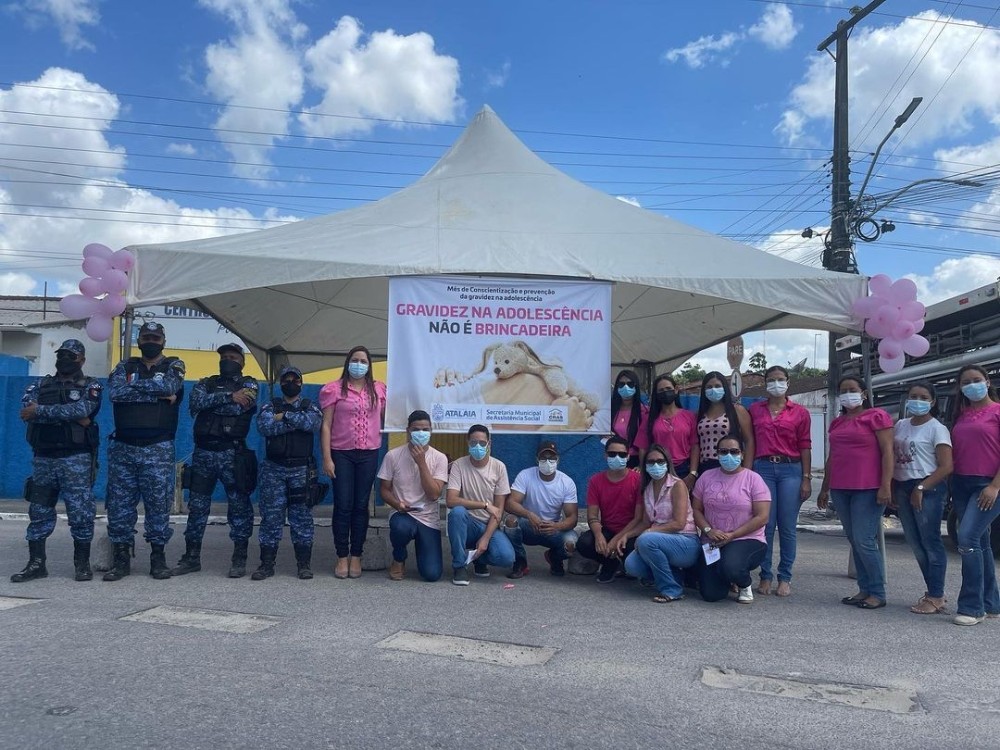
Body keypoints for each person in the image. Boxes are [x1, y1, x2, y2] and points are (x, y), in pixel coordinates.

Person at [11, 339, 102, 583]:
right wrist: (66, 413)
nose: (64, 359)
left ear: (82, 360)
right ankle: (36, 564)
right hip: (44, 458)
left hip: (76, 458)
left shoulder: (90, 384)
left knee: (81, 512)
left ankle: (82, 564)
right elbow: (26, 411)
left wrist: (41, 410)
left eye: (71, 356)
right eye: (61, 354)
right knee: (39, 510)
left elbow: (83, 410)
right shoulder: (40, 384)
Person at [103, 321, 186, 581]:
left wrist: (136, 388)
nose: (151, 341)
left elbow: (169, 388)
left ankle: (157, 559)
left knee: (158, 505)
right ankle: (121, 560)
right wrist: (155, 393)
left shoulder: (174, 365)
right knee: (119, 506)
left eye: (155, 338)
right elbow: (115, 393)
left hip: (157, 447)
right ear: (138, 340)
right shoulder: (124, 367)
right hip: (124, 448)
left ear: (163, 341)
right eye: (146, 337)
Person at [172, 343, 258, 578]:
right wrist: (229, 397)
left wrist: (212, 403)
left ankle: (239, 559)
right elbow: (195, 403)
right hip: (203, 454)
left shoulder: (249, 384)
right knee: (197, 507)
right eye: (224, 357)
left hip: (232, 455)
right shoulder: (205, 383)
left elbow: (240, 409)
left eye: (233, 357)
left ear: (242, 362)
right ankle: (191, 558)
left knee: (239, 508)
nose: (227, 360)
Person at [817, 376, 893, 610]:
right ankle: (864, 589)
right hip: (841, 487)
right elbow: (832, 457)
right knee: (854, 540)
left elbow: (887, 451)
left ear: (864, 394)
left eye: (852, 390)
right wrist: (825, 487)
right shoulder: (837, 423)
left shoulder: (876, 417)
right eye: (843, 391)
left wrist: (886, 485)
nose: (847, 394)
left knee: (864, 540)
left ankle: (877, 592)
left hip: (867, 487)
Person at [320, 345, 386, 579]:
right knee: (343, 504)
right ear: (348, 362)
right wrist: (327, 458)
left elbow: (388, 417)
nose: (359, 365)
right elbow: (326, 425)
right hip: (341, 454)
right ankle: (341, 556)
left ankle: (356, 555)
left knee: (361, 505)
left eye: (363, 361)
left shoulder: (379, 389)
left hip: (369, 453)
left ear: (369, 365)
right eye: (355, 360)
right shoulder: (333, 389)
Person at [251, 366, 323, 581]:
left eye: (295, 380)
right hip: (273, 469)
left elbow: (313, 424)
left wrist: (284, 417)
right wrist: (295, 422)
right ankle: (266, 565)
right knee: (271, 517)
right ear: (281, 383)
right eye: (286, 379)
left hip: (301, 470)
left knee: (301, 517)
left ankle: (303, 565)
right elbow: (264, 427)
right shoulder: (269, 406)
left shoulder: (310, 406)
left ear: (301, 383)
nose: (291, 383)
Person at [748, 365, 812, 597]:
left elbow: (805, 445)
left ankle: (785, 576)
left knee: (787, 526)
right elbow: (750, 441)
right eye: (771, 380)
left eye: (780, 379)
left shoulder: (800, 412)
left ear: (788, 382)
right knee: (764, 524)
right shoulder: (755, 410)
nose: (776, 384)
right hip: (763, 467)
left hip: (790, 469)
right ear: (765, 384)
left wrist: (806, 478)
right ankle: (765, 574)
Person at [892, 381, 952, 615]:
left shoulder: (937, 428)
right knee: (916, 544)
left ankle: (935, 595)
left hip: (927, 488)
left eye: (923, 397)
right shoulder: (901, 425)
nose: (917, 401)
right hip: (902, 486)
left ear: (932, 402)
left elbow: (946, 466)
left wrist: (921, 487)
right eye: (913, 396)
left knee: (930, 542)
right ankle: (934, 593)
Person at [948, 365, 1000, 626]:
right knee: (981, 543)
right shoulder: (962, 415)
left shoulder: (998, 412)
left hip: (988, 484)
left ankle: (972, 607)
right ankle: (991, 604)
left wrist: (994, 486)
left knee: (967, 538)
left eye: (976, 380)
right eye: (965, 382)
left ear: (987, 382)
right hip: (961, 483)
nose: (971, 385)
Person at [691, 434, 771, 603]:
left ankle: (744, 583)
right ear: (717, 454)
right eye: (724, 451)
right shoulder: (706, 477)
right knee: (711, 595)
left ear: (742, 454)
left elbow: (762, 517)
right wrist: (708, 530)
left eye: (734, 451)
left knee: (731, 566)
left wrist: (732, 535)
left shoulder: (753, 479)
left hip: (745, 538)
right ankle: (727, 579)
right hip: (713, 540)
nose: (729, 455)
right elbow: (696, 509)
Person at [623, 444, 700, 603]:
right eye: (651, 462)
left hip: (686, 541)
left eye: (660, 461)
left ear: (667, 463)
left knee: (646, 540)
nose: (655, 465)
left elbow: (679, 523)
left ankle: (671, 590)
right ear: (645, 465)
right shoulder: (647, 489)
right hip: (659, 541)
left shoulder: (677, 485)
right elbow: (646, 523)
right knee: (631, 565)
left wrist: (649, 533)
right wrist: (626, 535)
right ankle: (675, 577)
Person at [379, 411, 449, 583]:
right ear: (408, 431)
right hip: (403, 514)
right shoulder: (393, 456)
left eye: (425, 429)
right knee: (400, 528)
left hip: (428, 519)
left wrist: (422, 463)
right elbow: (384, 490)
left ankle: (423, 548)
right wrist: (397, 504)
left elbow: (434, 495)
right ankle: (399, 558)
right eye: (416, 429)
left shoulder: (440, 458)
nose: (421, 433)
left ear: (431, 431)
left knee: (432, 574)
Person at [446, 423, 515, 585]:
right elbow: (451, 500)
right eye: (473, 442)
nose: (478, 446)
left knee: (506, 557)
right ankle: (459, 566)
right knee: (457, 512)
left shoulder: (499, 467)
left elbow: (498, 511)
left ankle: (479, 559)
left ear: (489, 444)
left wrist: (485, 538)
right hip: (467, 523)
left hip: (489, 524)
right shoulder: (459, 465)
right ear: (468, 443)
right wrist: (484, 505)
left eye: (482, 443)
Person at [503, 439, 579, 578]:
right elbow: (510, 503)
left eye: (552, 458)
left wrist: (557, 526)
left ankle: (554, 558)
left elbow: (573, 517)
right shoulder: (525, 475)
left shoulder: (567, 482)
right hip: (529, 525)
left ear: (558, 460)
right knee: (510, 521)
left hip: (553, 528)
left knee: (571, 543)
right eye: (543, 458)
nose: (548, 462)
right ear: (537, 459)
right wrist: (529, 515)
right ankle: (520, 562)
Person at [577, 436, 642, 583]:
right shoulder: (595, 481)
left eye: (622, 454)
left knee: (635, 549)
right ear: (605, 455)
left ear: (628, 456)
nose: (617, 458)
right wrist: (599, 535)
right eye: (612, 454)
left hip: (631, 532)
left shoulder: (638, 480)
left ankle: (628, 566)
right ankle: (610, 563)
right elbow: (592, 516)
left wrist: (617, 539)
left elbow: (639, 518)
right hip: (608, 529)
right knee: (584, 543)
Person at [687, 371, 754, 489]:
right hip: (705, 466)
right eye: (709, 387)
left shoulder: (737, 410)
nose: (713, 389)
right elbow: (695, 445)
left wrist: (747, 471)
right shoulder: (699, 415)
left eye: (717, 386)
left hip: (730, 464)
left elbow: (749, 441)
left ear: (725, 388)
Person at [635, 374, 697, 478]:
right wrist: (643, 468)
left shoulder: (689, 416)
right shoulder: (649, 418)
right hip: (657, 467)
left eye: (668, 388)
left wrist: (692, 473)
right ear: (657, 394)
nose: (665, 392)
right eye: (661, 390)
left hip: (683, 469)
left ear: (676, 389)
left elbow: (695, 445)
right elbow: (643, 447)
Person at [610, 369, 647, 468]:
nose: (625, 387)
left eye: (630, 384)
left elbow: (644, 442)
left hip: (636, 461)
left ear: (636, 386)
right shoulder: (610, 411)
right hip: (615, 457)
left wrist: (641, 466)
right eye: (621, 384)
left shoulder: (644, 411)